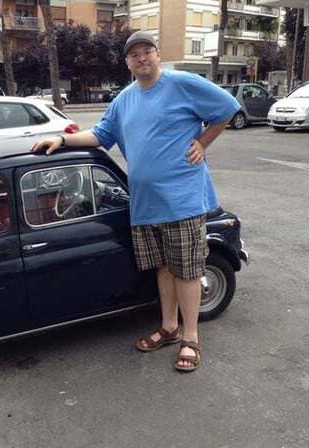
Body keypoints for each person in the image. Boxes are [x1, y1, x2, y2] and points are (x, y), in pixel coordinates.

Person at [31, 31, 239, 372]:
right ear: (127, 62)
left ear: (158, 55)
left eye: (147, 52)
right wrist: (61, 139)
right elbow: (100, 135)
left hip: (182, 198)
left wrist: (203, 142)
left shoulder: (181, 83)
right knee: (163, 268)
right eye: (134, 54)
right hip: (145, 203)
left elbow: (227, 109)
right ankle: (169, 327)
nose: (141, 58)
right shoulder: (124, 99)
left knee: (187, 271)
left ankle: (191, 338)